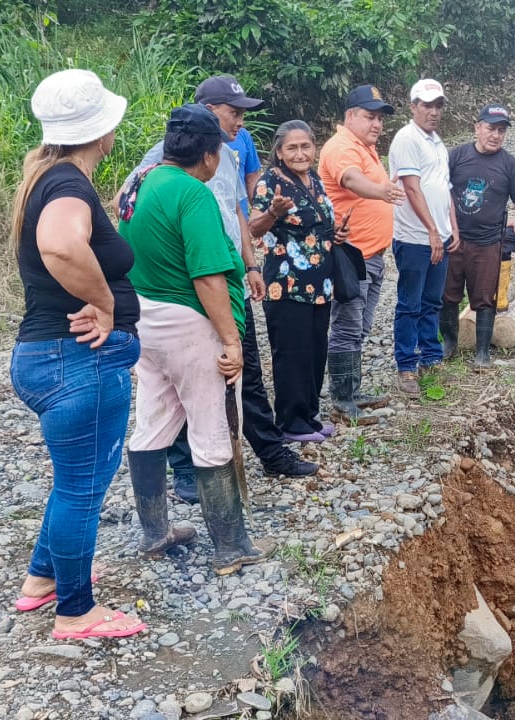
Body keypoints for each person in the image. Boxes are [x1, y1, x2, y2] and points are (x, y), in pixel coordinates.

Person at [122, 75, 319, 500]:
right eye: (234, 113)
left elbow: (237, 211)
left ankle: (270, 452)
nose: (241, 122)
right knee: (190, 392)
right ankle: (189, 473)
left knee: (246, 374)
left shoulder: (228, 153)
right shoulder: (165, 163)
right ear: (208, 113)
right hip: (191, 293)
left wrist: (250, 264)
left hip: (227, 279)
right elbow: (131, 211)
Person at [8, 69, 147, 640]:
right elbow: (61, 244)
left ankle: (43, 580)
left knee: (73, 481)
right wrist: (105, 304)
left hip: (48, 357)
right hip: (77, 360)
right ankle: (76, 612)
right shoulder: (67, 185)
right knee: (82, 490)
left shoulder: (47, 177)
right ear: (102, 130)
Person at [118, 104, 269, 577]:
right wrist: (231, 340)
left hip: (146, 318)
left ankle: (154, 532)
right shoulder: (193, 193)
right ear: (208, 154)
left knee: (153, 421)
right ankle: (231, 545)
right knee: (212, 427)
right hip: (190, 323)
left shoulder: (140, 182)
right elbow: (207, 275)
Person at [248, 120, 348, 440]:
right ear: (279, 152)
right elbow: (253, 227)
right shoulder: (270, 182)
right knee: (293, 353)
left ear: (314, 148)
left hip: (320, 285)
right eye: (292, 148)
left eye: (306, 146)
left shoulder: (313, 179)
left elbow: (316, 224)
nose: (300, 153)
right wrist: (273, 214)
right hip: (287, 284)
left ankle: (309, 416)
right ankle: (291, 422)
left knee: (315, 351)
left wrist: (336, 233)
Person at [319, 84, 406, 420]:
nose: (377, 124)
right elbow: (351, 180)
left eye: (380, 119)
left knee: (361, 326)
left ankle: (352, 391)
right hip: (352, 257)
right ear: (350, 115)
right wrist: (381, 192)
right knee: (347, 327)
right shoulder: (341, 147)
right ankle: (342, 399)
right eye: (370, 117)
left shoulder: (364, 147)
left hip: (372, 255)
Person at [443, 104, 515, 367]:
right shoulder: (457, 156)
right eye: (491, 129)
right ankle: (449, 343)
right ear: (477, 127)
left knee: (484, 297)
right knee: (447, 294)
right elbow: (439, 189)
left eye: (501, 131)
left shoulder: (509, 164)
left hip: (489, 242)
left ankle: (482, 353)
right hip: (454, 239)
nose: (495, 135)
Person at [388, 79, 460, 393]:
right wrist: (432, 230)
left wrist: (451, 227)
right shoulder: (407, 139)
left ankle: (430, 356)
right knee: (410, 303)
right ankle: (406, 366)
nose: (433, 112)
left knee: (432, 300)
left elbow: (444, 187)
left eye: (438, 105)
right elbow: (412, 188)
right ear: (413, 106)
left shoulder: (436, 141)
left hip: (438, 236)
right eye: (427, 105)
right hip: (415, 237)